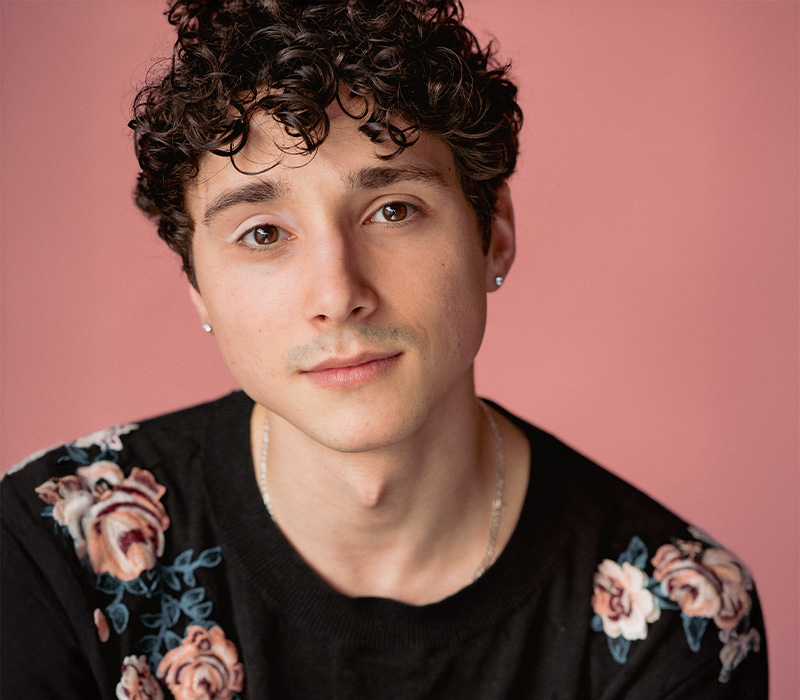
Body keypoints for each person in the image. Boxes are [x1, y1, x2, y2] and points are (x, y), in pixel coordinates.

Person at [0, 1, 767, 698]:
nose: (338, 293)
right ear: (197, 285)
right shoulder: (52, 552)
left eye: (393, 209)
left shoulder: (679, 613)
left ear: (494, 232)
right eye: (262, 234)